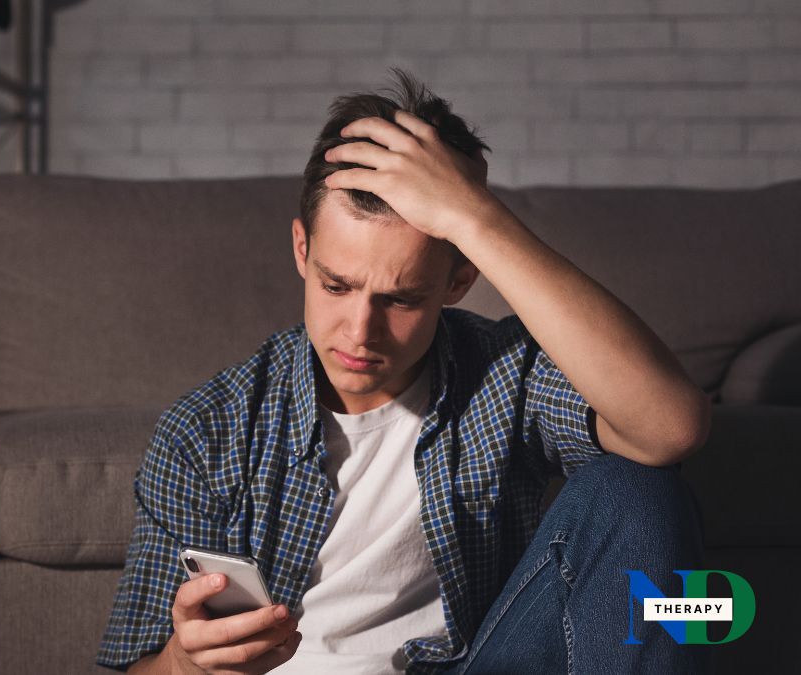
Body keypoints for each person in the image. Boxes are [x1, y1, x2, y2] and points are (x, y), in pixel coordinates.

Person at [96, 68, 712, 674]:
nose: (360, 331)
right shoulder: (206, 430)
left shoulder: (501, 374)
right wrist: (185, 664)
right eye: (336, 285)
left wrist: (475, 219)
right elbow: (138, 666)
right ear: (301, 250)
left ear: (459, 280)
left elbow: (669, 428)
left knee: (636, 488)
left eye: (401, 299)